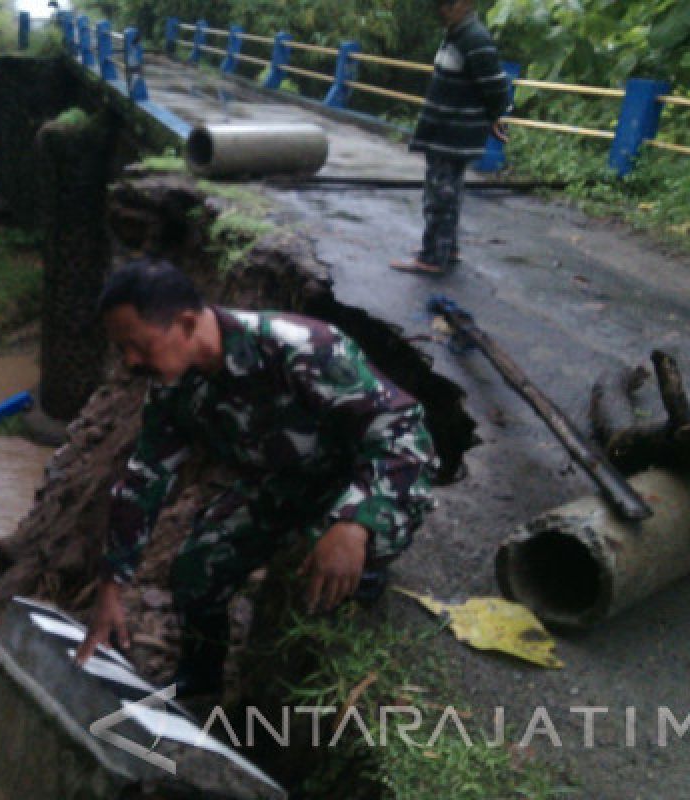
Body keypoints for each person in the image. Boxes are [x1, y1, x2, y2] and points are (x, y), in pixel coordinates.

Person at [74, 258, 436, 695]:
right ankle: (201, 680)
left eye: (138, 345)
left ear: (186, 324)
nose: (131, 361)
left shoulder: (302, 349)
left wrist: (356, 522)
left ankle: (353, 594)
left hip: (356, 480)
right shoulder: (173, 385)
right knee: (195, 567)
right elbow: (144, 480)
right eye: (122, 349)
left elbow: (403, 432)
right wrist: (112, 586)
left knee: (332, 586)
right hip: (282, 483)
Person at [391, 0, 510, 276]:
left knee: (439, 196)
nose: (442, 10)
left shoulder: (474, 38)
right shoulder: (457, 35)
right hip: (446, 130)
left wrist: (495, 117)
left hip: (453, 133)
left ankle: (432, 257)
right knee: (448, 193)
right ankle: (445, 248)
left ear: (466, 4)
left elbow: (495, 85)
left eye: (449, 4)